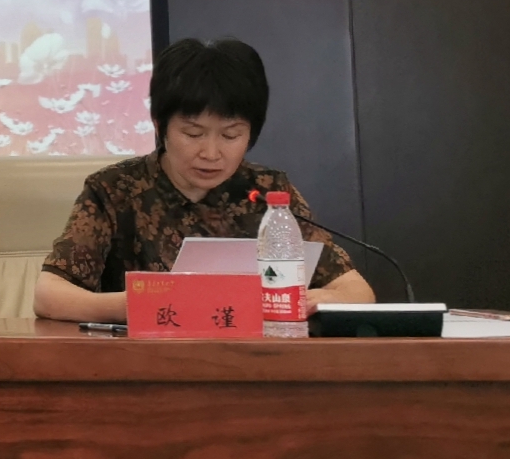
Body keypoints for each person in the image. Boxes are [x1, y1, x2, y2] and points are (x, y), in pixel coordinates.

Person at [34, 37, 375, 322]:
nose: (211, 153)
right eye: (193, 133)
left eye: (230, 135)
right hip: (146, 364)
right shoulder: (113, 190)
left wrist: (321, 299)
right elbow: (49, 295)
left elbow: (357, 291)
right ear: (159, 126)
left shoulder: (267, 192)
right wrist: (145, 302)